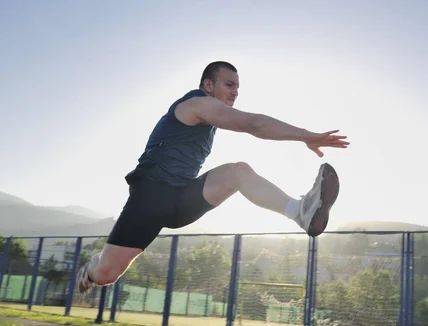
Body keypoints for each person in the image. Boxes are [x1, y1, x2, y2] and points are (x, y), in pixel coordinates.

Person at [77, 61, 349, 294]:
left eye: (238, 88)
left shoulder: (209, 118)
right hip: (150, 197)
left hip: (183, 198)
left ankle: (299, 212)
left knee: (237, 172)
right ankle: (93, 265)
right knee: (106, 275)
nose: (235, 92)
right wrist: (306, 135)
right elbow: (252, 124)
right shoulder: (196, 104)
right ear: (209, 86)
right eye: (229, 85)